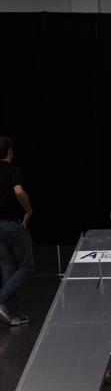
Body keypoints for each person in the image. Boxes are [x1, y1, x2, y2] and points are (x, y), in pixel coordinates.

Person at [0, 137, 35, 326]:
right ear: (10, 152)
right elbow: (19, 192)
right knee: (27, 267)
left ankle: (13, 316)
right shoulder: (13, 171)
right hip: (12, 225)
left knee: (9, 270)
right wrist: (28, 211)